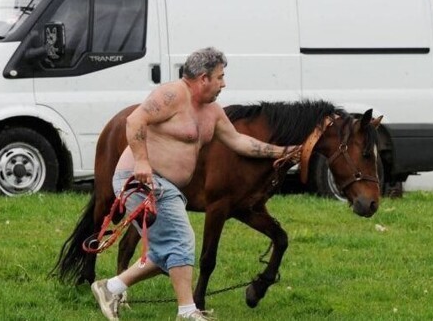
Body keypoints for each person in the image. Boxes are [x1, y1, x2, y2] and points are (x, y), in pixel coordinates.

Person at [91, 47, 300, 321]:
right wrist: (142, 161)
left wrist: (283, 152)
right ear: (203, 78)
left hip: (168, 187)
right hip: (141, 181)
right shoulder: (172, 95)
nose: (223, 84)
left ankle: (111, 287)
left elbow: (238, 142)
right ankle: (187, 311)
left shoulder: (212, 111)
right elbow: (135, 120)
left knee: (168, 251)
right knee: (181, 241)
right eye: (220, 77)